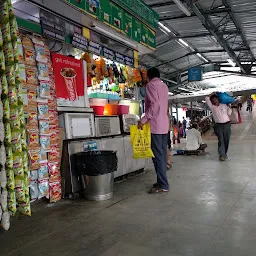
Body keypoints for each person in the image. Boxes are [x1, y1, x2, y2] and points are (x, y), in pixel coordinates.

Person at [138, 67, 169, 193]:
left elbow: (154, 105)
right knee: (161, 155)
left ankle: (163, 185)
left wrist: (144, 119)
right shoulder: (164, 86)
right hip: (163, 125)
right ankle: (161, 182)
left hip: (155, 126)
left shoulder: (150, 85)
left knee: (158, 156)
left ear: (148, 76)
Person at [205, 93, 232, 161]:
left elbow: (229, 113)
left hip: (227, 124)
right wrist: (213, 93)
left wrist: (229, 107)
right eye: (213, 100)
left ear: (218, 99)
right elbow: (206, 98)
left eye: (216, 99)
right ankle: (222, 155)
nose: (215, 101)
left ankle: (224, 154)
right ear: (212, 101)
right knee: (221, 140)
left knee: (226, 140)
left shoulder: (224, 105)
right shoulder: (212, 107)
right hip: (218, 126)